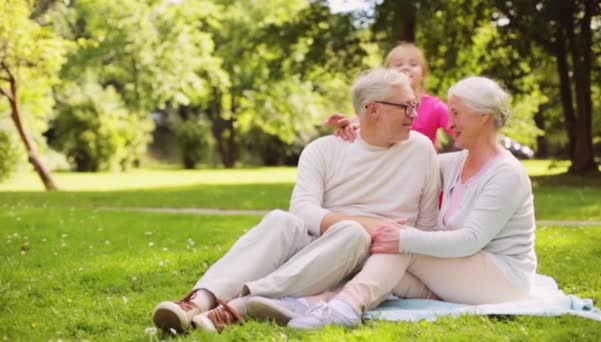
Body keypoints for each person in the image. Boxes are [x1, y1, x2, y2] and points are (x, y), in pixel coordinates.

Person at [151, 67, 440, 333]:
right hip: (319, 249)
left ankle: (240, 302)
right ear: (373, 109)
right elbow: (302, 210)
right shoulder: (323, 150)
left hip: (375, 259)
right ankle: (198, 302)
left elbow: (427, 226)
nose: (414, 114)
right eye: (406, 106)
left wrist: (383, 238)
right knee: (282, 220)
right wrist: (369, 223)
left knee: (353, 233)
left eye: (414, 105)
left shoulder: (421, 149)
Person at [247, 76, 538, 329]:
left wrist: (405, 239)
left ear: (483, 116)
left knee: (401, 246)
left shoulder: (506, 174)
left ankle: (345, 308)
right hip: (460, 272)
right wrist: (362, 127)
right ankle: (307, 304)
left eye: (457, 114)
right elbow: (405, 159)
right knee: (372, 261)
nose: (450, 124)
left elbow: (470, 240)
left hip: (502, 280)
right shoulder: (456, 163)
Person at [328, 42, 454, 150]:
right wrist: (348, 125)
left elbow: (459, 127)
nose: (406, 68)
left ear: (424, 74)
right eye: (398, 65)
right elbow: (365, 121)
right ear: (387, 73)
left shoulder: (435, 106)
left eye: (413, 64)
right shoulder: (380, 102)